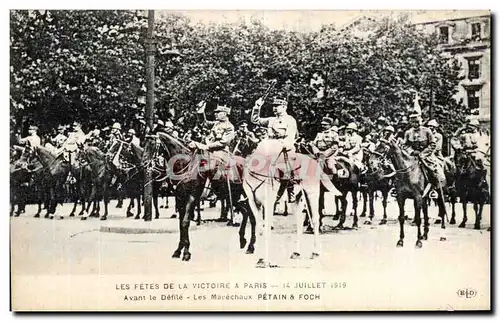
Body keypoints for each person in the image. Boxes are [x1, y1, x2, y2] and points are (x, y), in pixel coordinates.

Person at [251, 96, 298, 202]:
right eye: (274, 106)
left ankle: (287, 190)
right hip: (269, 145)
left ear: (284, 107)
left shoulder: (290, 120)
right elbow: (255, 120)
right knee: (253, 160)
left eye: (278, 106)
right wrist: (257, 107)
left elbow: (290, 138)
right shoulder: (271, 120)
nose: (275, 108)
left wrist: (278, 146)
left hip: (284, 147)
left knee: (286, 170)